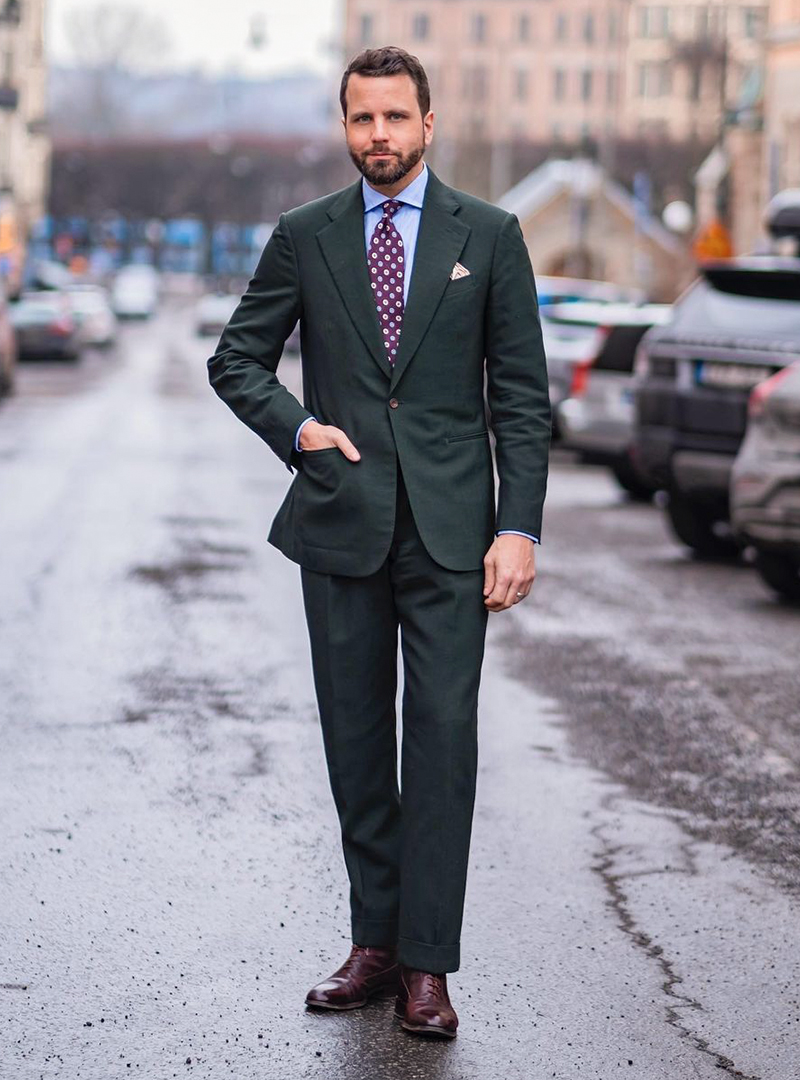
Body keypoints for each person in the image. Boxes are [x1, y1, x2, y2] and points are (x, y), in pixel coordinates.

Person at [207, 45, 550, 1039]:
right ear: (344, 126)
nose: (379, 137)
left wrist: (518, 525)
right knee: (357, 742)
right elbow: (237, 357)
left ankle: (428, 967)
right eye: (361, 120)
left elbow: (520, 402)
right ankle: (373, 945)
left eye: (395, 118)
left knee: (440, 745)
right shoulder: (304, 235)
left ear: (427, 125)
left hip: (452, 537)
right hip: (341, 525)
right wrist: (297, 427)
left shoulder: (487, 235)